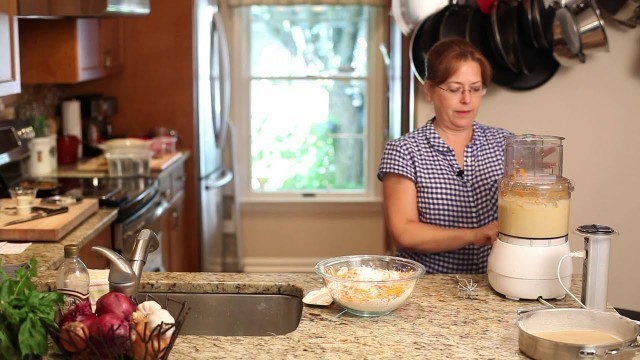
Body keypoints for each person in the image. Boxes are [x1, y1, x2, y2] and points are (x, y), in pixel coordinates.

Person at [377, 38, 512, 274]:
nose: (467, 100)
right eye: (454, 89)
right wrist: (474, 235)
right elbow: (404, 233)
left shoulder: (505, 144)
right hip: (425, 285)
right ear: (429, 90)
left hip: (493, 280)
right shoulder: (404, 151)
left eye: (475, 88)